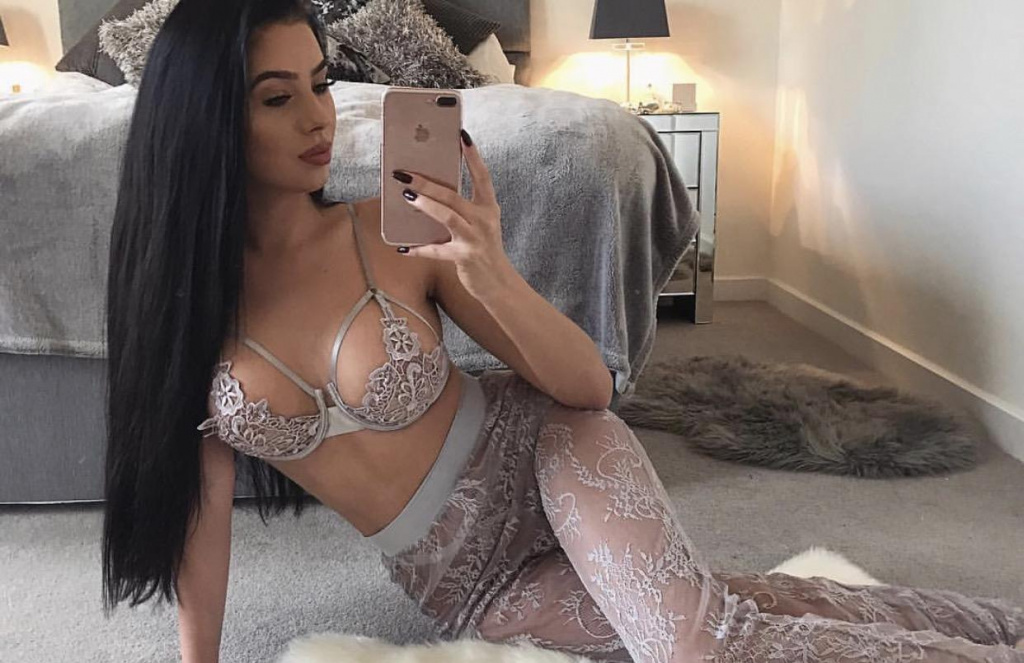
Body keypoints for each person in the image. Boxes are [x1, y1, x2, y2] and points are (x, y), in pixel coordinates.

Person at [101, 0, 1024, 662]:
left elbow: (588, 388)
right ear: (204, 119)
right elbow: (200, 515)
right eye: (276, 97)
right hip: (464, 581)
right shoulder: (181, 319)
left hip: (546, 456)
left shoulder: (394, 229)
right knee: (727, 606)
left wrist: (489, 268)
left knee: (697, 643)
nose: (319, 117)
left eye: (322, 83)